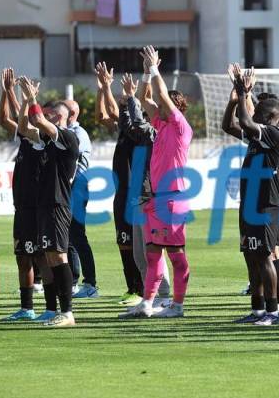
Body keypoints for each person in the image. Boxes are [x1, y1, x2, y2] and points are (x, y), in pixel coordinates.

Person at [120, 46, 193, 319]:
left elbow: (159, 96)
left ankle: (177, 306)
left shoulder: (180, 126)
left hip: (173, 198)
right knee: (153, 254)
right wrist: (145, 75)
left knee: (176, 255)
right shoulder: (160, 125)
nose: (156, 108)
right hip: (156, 198)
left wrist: (154, 69)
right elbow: (144, 98)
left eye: (161, 106)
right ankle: (147, 304)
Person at [222, 64, 279, 325]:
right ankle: (258, 310)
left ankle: (274, 311)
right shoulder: (258, 138)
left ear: (269, 116)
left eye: (257, 111)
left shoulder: (275, 134)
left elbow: (245, 121)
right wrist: (234, 100)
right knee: (251, 256)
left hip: (266, 205)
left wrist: (242, 91)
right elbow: (229, 125)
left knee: (265, 256)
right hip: (250, 203)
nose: (252, 113)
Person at [18, 77, 80, 327]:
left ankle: (68, 313)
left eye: (50, 114)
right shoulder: (46, 142)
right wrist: (26, 101)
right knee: (52, 258)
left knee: (59, 257)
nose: (45, 116)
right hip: (45, 205)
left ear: (60, 117)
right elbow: (25, 127)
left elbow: (37, 119)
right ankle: (58, 311)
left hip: (57, 204)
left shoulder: (68, 138)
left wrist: (32, 98)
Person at [0, 68, 47, 321]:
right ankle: (27, 309)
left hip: (37, 208)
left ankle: (53, 308)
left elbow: (22, 117)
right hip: (22, 209)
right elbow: (6, 118)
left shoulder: (40, 139)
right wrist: (8, 92)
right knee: (22, 258)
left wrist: (25, 98)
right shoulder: (25, 138)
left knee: (41, 257)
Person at [95, 62, 145, 305]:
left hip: (136, 194)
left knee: (137, 243)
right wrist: (103, 88)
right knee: (123, 242)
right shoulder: (122, 131)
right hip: (121, 194)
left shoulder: (140, 132)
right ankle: (132, 288)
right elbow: (102, 116)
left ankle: (142, 289)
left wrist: (111, 89)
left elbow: (116, 113)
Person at [66, 99, 98, 299]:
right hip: (68, 188)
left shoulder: (79, 133)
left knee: (77, 235)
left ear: (70, 114)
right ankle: (73, 282)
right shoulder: (68, 132)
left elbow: (72, 157)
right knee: (68, 237)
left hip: (77, 188)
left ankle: (90, 284)